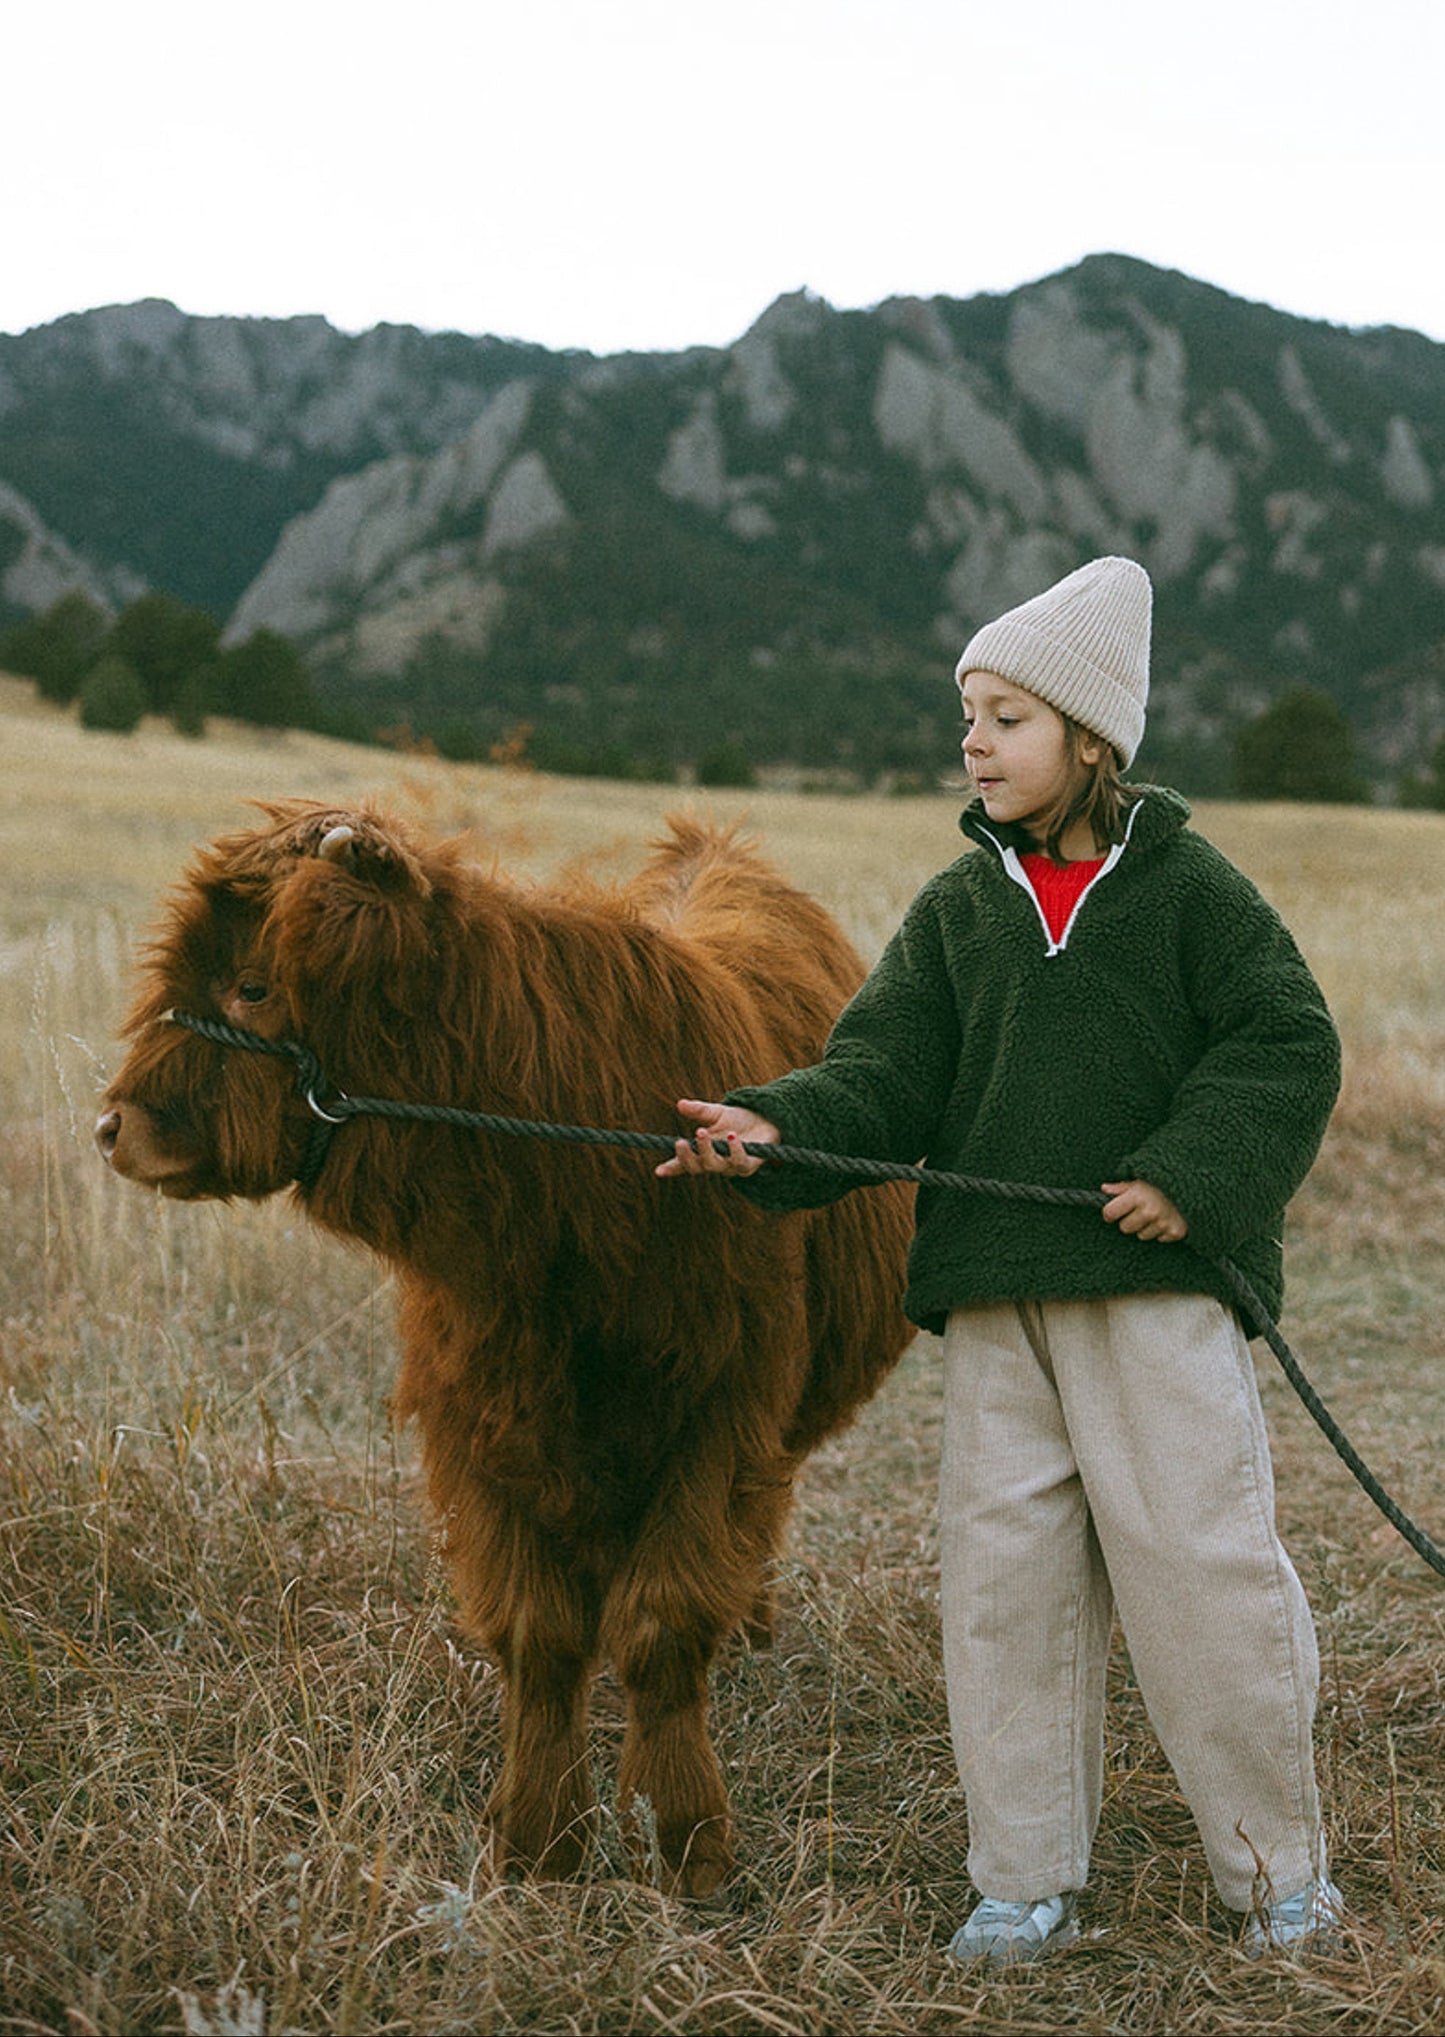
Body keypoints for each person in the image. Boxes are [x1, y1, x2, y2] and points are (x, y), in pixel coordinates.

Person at [657, 556, 1345, 1965]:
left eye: (1006, 717)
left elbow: (1287, 1041)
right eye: (966, 714)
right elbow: (883, 1072)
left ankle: (1278, 1877)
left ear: (1089, 738)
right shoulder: (958, 910)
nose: (972, 741)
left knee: (1202, 1578)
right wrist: (775, 1127)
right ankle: (1023, 1880)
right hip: (991, 1304)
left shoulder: (1189, 891)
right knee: (1002, 1592)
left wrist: (1190, 1175)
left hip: (1149, 1299)